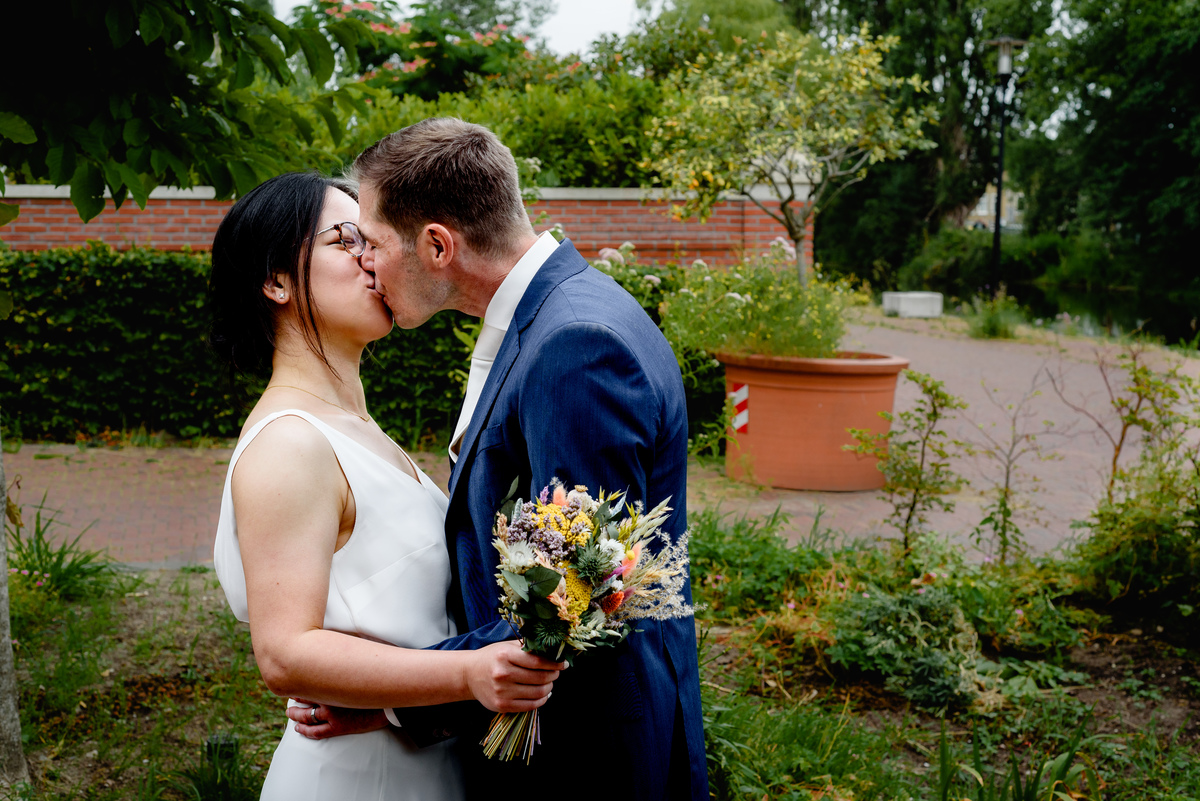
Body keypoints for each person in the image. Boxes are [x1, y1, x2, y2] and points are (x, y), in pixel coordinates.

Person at [293, 119, 708, 800]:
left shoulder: (576, 346)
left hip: (583, 758)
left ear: (436, 244)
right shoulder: (552, 317)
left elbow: (567, 605)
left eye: (372, 243)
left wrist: (395, 701)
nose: (365, 263)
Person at [208, 172, 563, 801]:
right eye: (346, 240)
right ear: (277, 281)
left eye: (371, 238)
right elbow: (285, 653)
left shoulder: (354, 426)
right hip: (356, 778)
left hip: (411, 757)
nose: (372, 258)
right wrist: (470, 671)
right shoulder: (289, 443)